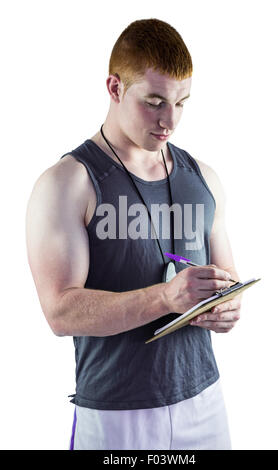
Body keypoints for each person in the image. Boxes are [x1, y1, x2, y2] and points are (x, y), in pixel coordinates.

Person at [25, 18, 242, 450]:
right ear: (115, 87)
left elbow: (227, 277)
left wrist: (227, 306)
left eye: (181, 103)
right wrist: (165, 298)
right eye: (155, 102)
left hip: (204, 399)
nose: (170, 121)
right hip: (116, 412)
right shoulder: (68, 183)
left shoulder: (203, 176)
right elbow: (60, 312)